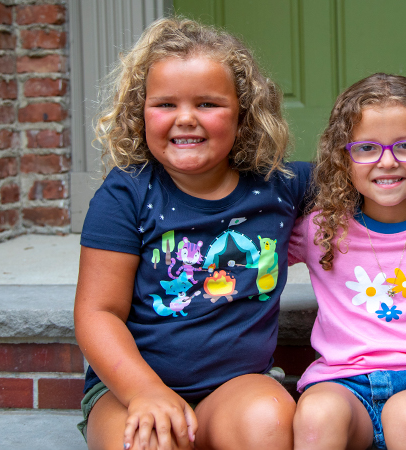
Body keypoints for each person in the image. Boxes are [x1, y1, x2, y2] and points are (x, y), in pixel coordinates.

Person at [73, 17, 304, 450]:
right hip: (130, 389)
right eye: (165, 104)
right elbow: (97, 314)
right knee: (149, 441)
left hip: (237, 388)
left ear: (243, 113)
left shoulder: (279, 184)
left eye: (207, 104)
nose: (185, 119)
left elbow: (378, 167)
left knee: (270, 421)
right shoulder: (127, 194)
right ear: (140, 112)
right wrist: (143, 391)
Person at [288, 74, 406, 450]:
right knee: (316, 413)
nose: (387, 162)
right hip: (341, 383)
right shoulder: (321, 229)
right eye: (367, 148)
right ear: (344, 157)